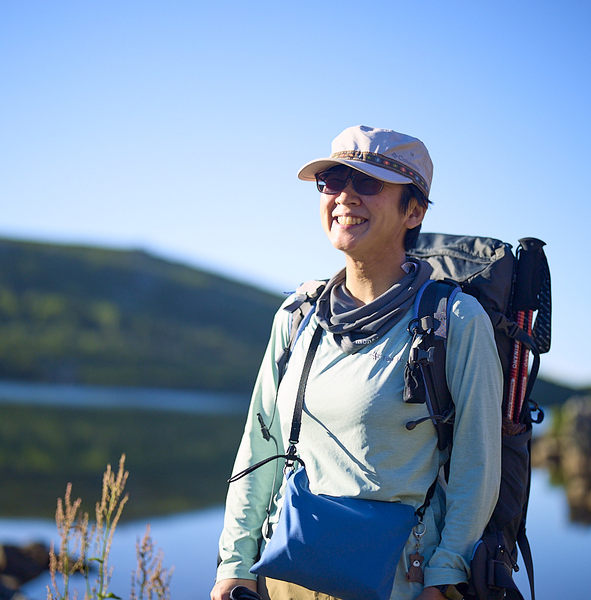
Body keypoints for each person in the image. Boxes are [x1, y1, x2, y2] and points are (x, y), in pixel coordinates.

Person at [211, 126, 502, 600]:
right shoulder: (297, 316)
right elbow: (258, 446)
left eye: (367, 183)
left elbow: (477, 463)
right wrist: (235, 562)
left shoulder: (454, 320)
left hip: (396, 585)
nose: (345, 196)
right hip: (285, 576)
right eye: (332, 181)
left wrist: (445, 573)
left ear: (415, 211)